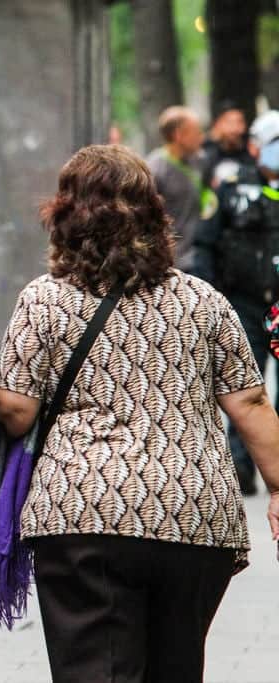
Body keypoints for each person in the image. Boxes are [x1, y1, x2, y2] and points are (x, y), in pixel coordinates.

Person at [0, 144, 279, 683]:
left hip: (83, 516)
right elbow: (251, 400)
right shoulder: (203, 301)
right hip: (192, 516)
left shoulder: (45, 300)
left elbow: (15, 406)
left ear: (65, 214)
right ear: (153, 213)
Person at [191, 110, 279, 495]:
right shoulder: (230, 187)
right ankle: (241, 467)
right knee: (246, 386)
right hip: (242, 303)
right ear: (256, 147)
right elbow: (206, 243)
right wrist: (211, 299)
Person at [145, 106, 209, 269]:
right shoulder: (155, 169)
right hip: (171, 261)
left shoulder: (200, 161)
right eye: (196, 132)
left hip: (199, 256)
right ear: (179, 135)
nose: (201, 137)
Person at [202, 101, 254, 190]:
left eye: (239, 122)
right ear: (217, 124)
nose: (234, 128)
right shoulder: (205, 152)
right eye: (229, 122)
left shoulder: (251, 152)